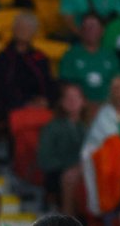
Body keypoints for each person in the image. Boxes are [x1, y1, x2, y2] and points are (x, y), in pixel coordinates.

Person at [0, 12, 55, 120]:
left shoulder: (40, 58)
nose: (23, 31)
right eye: (20, 27)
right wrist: (26, 104)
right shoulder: (3, 57)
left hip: (40, 106)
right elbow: (2, 88)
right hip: (14, 107)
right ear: (14, 29)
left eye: (28, 28)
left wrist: (45, 100)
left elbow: (48, 83)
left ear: (34, 32)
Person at [37, 84, 87, 215]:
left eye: (76, 97)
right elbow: (45, 159)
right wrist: (70, 167)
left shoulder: (89, 128)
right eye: (68, 98)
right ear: (62, 102)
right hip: (58, 174)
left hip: (85, 171)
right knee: (69, 178)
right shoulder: (52, 127)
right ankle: (67, 220)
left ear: (83, 102)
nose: (72, 101)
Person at [59, 13, 120, 105]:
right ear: (81, 31)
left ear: (102, 30)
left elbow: (117, 81)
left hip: (107, 105)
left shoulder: (110, 54)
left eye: (93, 27)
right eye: (86, 27)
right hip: (80, 107)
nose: (90, 30)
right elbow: (66, 84)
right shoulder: (71, 55)